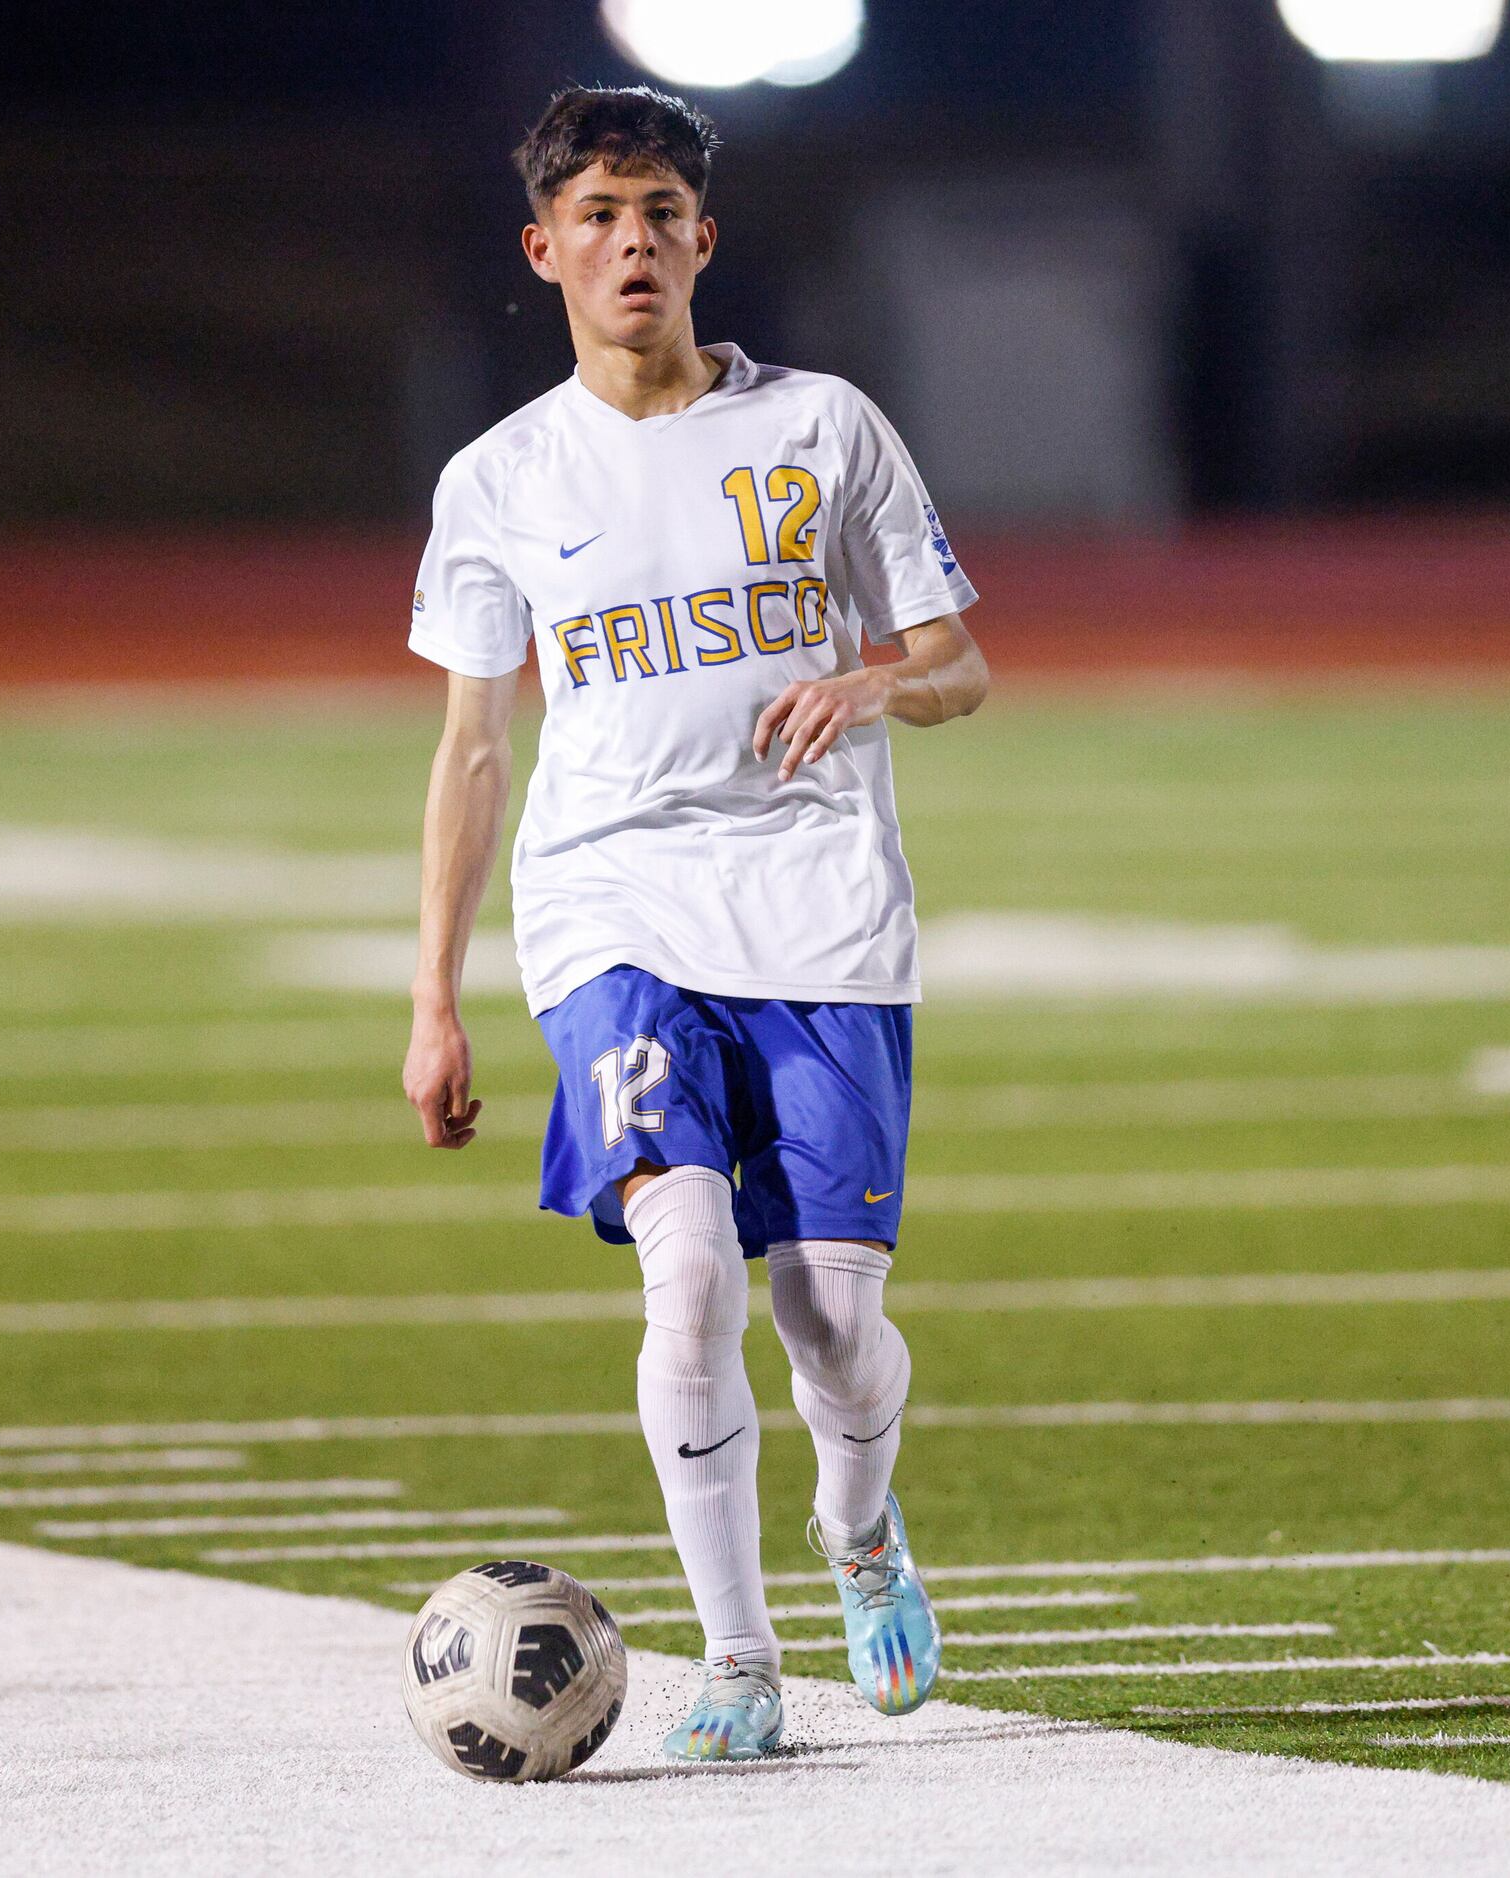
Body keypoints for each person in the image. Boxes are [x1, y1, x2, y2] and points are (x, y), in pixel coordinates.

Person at [401, 84, 990, 1762]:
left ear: (704, 238)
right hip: (608, 910)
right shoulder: (501, 478)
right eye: (596, 214)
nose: (631, 240)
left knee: (834, 1326)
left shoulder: (826, 430)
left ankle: (859, 1528)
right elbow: (471, 745)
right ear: (545, 251)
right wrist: (435, 998)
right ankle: (738, 1654)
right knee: (686, 1270)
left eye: (658, 209)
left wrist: (871, 679)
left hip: (817, 915)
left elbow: (962, 666)